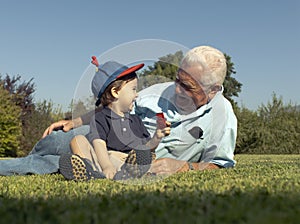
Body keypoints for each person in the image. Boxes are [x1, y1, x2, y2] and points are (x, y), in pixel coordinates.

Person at [0, 45, 237, 176]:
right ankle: (29, 159)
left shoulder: (223, 117)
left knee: (51, 163)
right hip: (107, 133)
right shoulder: (160, 90)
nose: (176, 89)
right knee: (56, 140)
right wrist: (74, 121)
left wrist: (185, 166)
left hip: (131, 160)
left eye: (187, 86)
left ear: (214, 89)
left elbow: (220, 164)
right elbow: (115, 106)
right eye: (177, 79)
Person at [59, 60, 170, 180]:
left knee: (132, 156)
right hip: (105, 162)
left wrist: (157, 137)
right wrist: (107, 166)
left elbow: (146, 149)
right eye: (133, 89)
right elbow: (99, 145)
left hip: (128, 161)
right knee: (78, 140)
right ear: (115, 92)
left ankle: (128, 172)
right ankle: (88, 171)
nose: (137, 94)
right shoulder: (100, 118)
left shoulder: (135, 120)